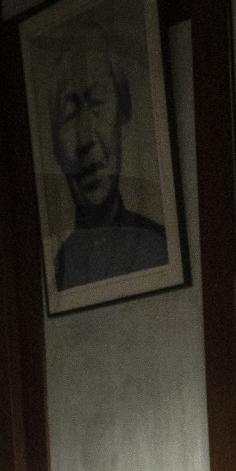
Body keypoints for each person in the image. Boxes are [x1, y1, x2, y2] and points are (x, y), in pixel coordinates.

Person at [48, 25, 168, 290]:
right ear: (55, 148)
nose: (85, 138)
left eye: (97, 102)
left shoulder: (159, 249)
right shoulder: (57, 274)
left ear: (123, 112)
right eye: (68, 113)